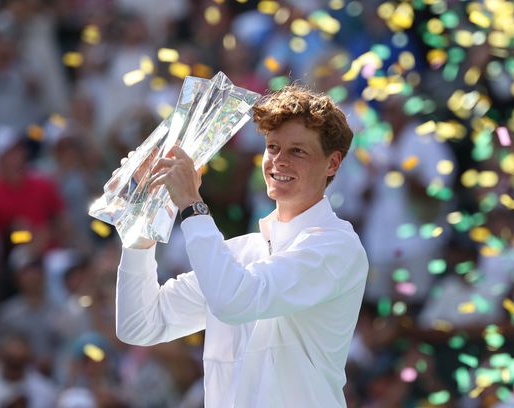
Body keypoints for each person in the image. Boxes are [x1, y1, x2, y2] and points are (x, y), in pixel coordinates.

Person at [114, 85, 369, 407]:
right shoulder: (238, 253)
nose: (279, 161)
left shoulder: (337, 246)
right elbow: (139, 325)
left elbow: (233, 301)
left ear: (332, 163)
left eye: (297, 151)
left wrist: (191, 204)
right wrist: (144, 220)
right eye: (273, 147)